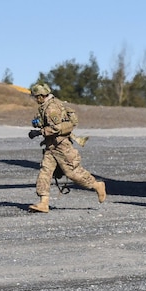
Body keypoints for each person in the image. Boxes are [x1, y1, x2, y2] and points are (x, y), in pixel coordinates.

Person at [27, 83, 106, 213]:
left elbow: (57, 128)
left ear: (41, 96)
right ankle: (44, 203)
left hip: (62, 146)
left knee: (72, 173)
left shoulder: (51, 108)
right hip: (51, 146)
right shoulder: (46, 106)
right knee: (45, 172)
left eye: (36, 97)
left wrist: (40, 132)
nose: (35, 99)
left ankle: (97, 185)